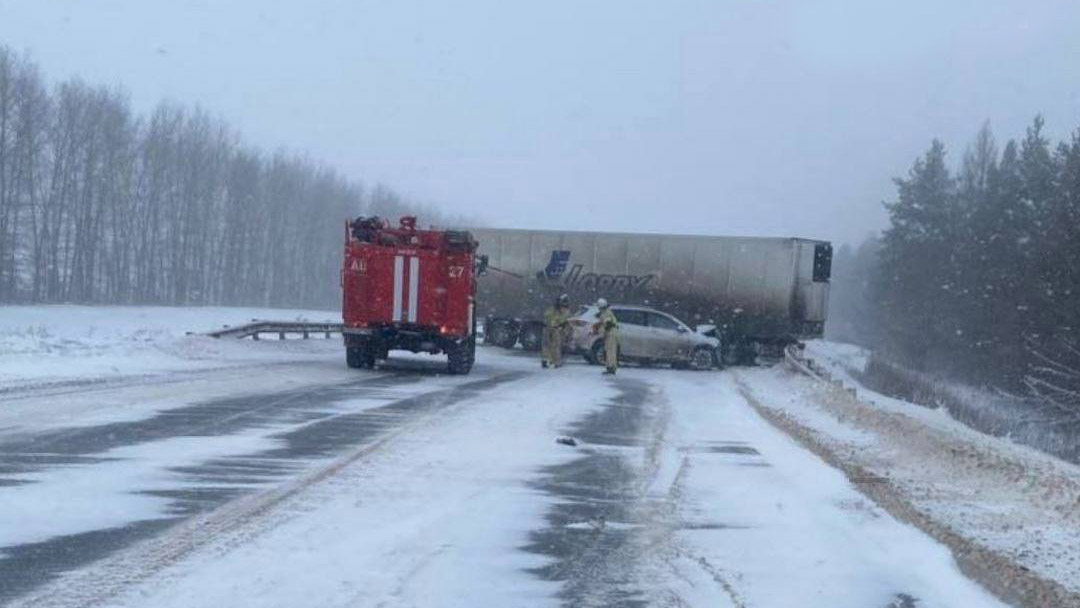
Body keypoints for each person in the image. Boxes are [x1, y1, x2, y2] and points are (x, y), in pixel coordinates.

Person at [542, 293, 572, 368]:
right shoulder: (561, 310)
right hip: (555, 329)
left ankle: (547, 360)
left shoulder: (553, 309)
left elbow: (546, 315)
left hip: (550, 328)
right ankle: (554, 361)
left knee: (548, 345)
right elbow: (565, 320)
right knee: (555, 346)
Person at [592, 298, 619, 375]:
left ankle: (611, 367)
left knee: (610, 350)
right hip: (611, 333)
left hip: (611, 333)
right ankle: (610, 366)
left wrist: (600, 333)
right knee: (609, 350)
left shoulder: (606, 313)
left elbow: (607, 325)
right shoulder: (605, 313)